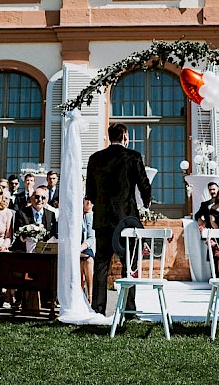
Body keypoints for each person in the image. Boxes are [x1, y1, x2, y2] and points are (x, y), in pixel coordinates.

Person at [85, 122, 152, 316]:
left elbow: (90, 190)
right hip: (126, 220)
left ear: (109, 137)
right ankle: (128, 309)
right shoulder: (133, 157)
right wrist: (146, 203)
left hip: (103, 219)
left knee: (101, 265)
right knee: (129, 265)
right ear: (124, 137)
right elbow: (144, 185)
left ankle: (98, 309)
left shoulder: (95, 158)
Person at [11, 186, 58, 250]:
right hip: (25, 250)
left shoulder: (51, 214)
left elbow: (53, 234)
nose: (40, 200)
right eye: (37, 197)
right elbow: (18, 233)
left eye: (43, 198)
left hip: (45, 252)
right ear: (31, 198)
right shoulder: (21, 213)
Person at [80, 197, 96, 303]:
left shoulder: (90, 216)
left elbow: (91, 237)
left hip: (86, 247)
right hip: (78, 246)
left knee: (88, 260)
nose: (88, 202)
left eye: (90, 200)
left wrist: (81, 247)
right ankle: (81, 293)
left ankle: (90, 294)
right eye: (86, 200)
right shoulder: (80, 215)